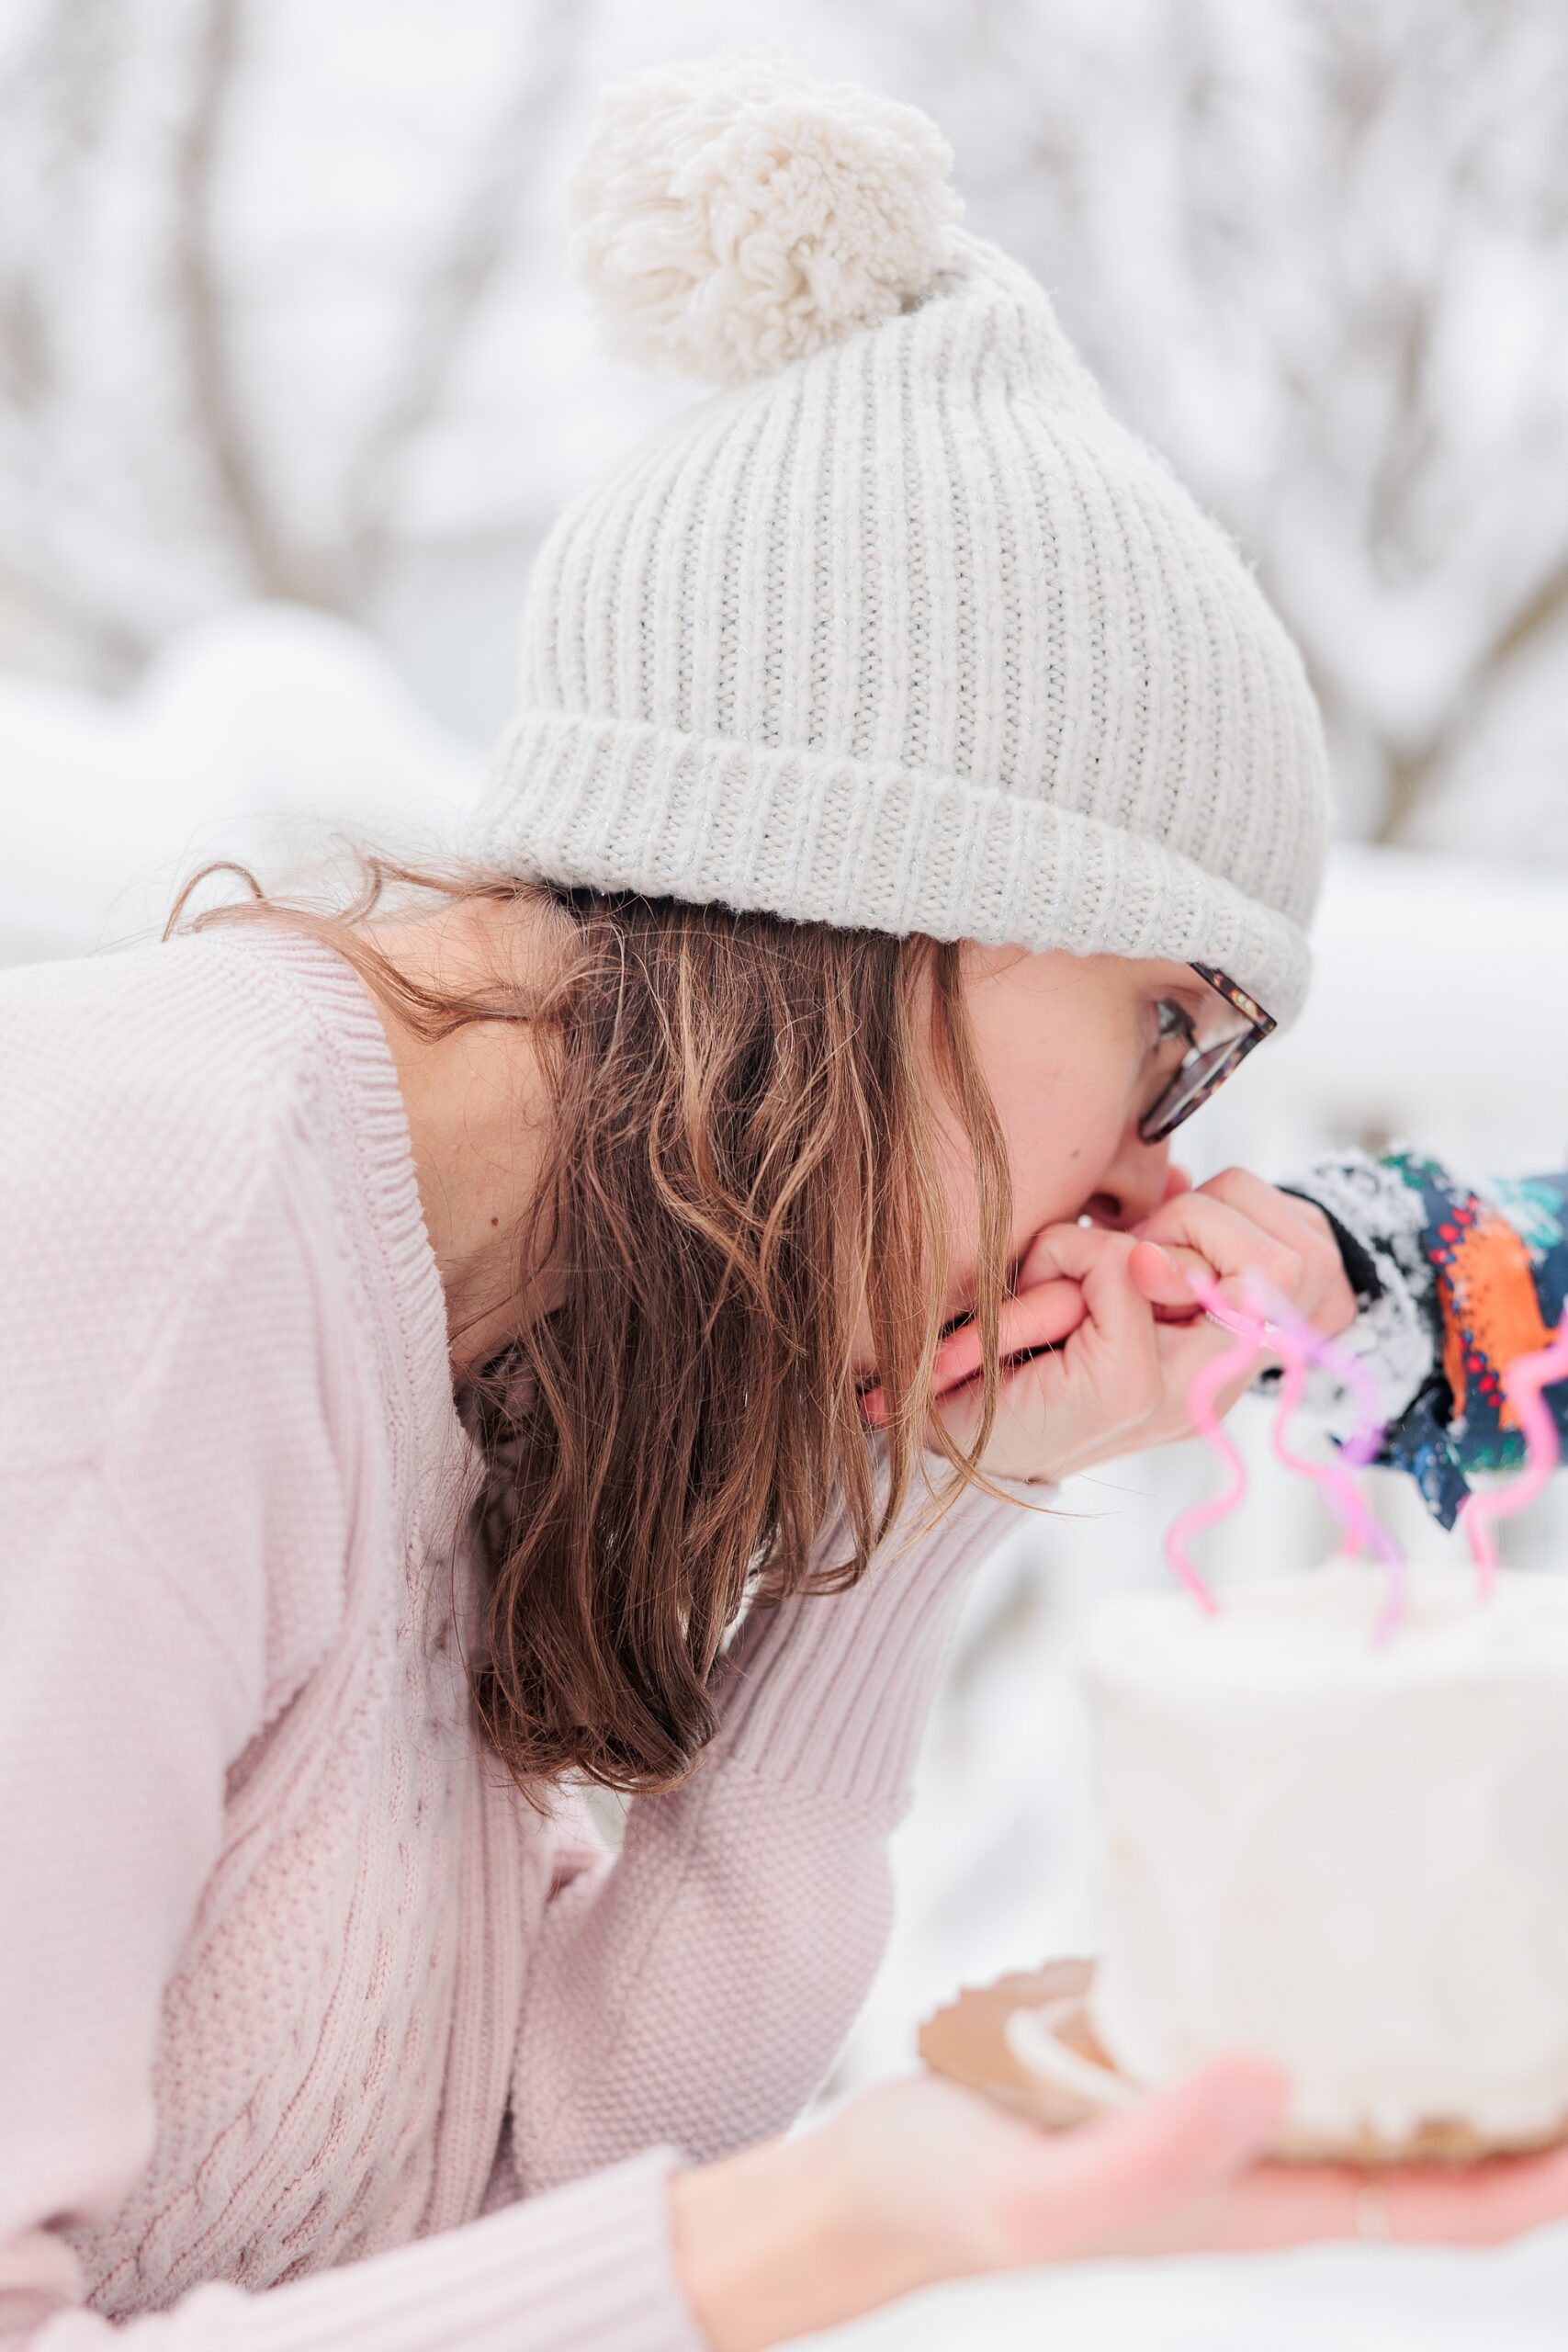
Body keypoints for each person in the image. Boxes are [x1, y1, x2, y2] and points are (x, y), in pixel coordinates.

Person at [5, 51, 1567, 2352]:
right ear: (902, 887)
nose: (1162, 1162)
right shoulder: (133, 1231)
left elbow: (527, 2192)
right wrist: (862, 2227)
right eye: (1171, 1022)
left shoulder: (480, 1325)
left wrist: (930, 1496)